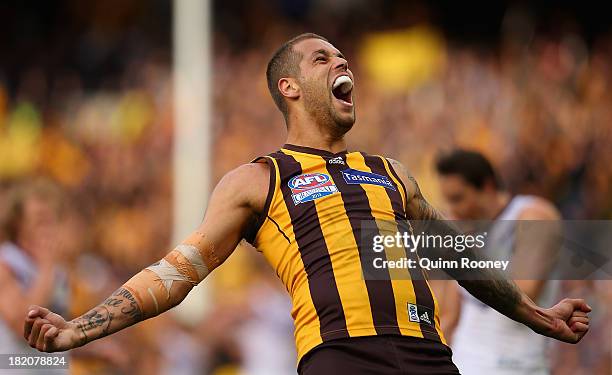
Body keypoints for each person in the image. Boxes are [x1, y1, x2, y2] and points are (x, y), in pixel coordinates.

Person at [24, 33, 590, 374]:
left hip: (427, 356)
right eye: (323, 59)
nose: (343, 64)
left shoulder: (390, 173)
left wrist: (540, 317)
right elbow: (176, 273)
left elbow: (464, 262)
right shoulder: (258, 179)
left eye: (344, 57)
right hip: (341, 357)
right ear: (288, 88)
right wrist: (79, 328)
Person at [432, 149, 562, 374]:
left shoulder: (533, 215)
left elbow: (526, 290)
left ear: (488, 186)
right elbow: (451, 314)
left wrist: (465, 251)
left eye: (458, 198)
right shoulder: (467, 229)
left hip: (516, 366)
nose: (453, 210)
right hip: (463, 362)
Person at [0, 179, 71, 374]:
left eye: (52, 218)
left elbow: (57, 335)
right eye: (40, 218)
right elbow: (22, 326)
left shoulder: (58, 270)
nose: (48, 227)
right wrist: (46, 267)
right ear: (18, 224)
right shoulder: (6, 263)